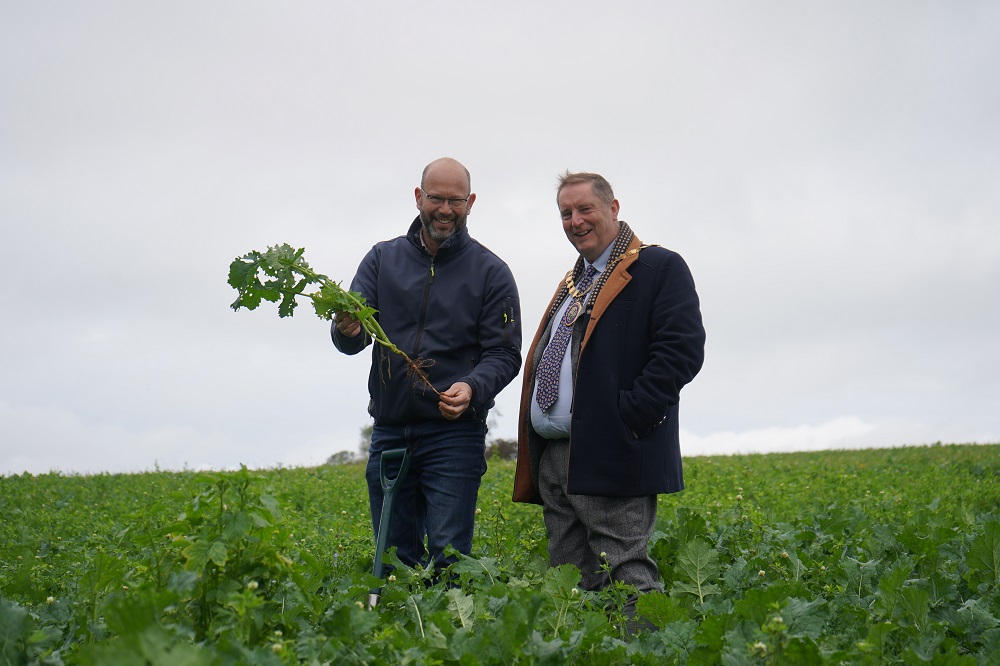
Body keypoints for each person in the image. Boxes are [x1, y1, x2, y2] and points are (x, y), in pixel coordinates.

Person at [512, 171, 705, 624]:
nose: (575, 221)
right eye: (566, 212)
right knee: (571, 581)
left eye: (585, 209)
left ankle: (646, 653)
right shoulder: (574, 280)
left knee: (625, 572)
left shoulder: (658, 267)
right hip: (556, 456)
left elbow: (682, 349)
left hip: (613, 446)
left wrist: (630, 417)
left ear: (613, 208)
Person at [333, 157, 522, 572]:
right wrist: (347, 331)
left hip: (453, 436)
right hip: (390, 431)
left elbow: (506, 354)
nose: (445, 210)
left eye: (456, 200)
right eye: (436, 198)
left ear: (471, 202)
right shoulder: (381, 260)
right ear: (419, 197)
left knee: (449, 558)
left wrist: (472, 387)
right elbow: (353, 339)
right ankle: (396, 629)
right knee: (393, 558)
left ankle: (447, 632)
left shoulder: (492, 273)